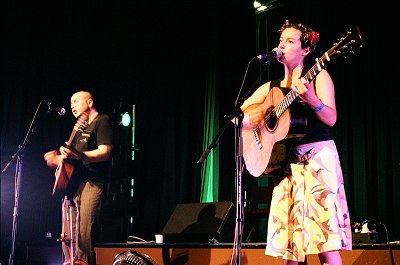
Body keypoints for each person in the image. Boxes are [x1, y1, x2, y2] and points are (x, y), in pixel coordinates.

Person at [239, 20, 352, 264]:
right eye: (281, 41)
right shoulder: (270, 88)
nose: (282, 45)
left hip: (317, 160)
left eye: (290, 41)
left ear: (306, 50)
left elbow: (331, 118)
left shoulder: (318, 75)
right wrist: (255, 118)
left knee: (325, 242)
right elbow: (240, 116)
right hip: (288, 166)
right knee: (291, 247)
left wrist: (312, 99)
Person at [44, 91, 113, 265]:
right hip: (73, 186)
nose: (72, 105)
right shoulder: (79, 128)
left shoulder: (101, 121)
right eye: (70, 103)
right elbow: (72, 159)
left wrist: (78, 155)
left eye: (75, 101)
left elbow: (105, 152)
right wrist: (56, 160)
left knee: (84, 235)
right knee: (67, 237)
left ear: (89, 102)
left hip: (91, 183)